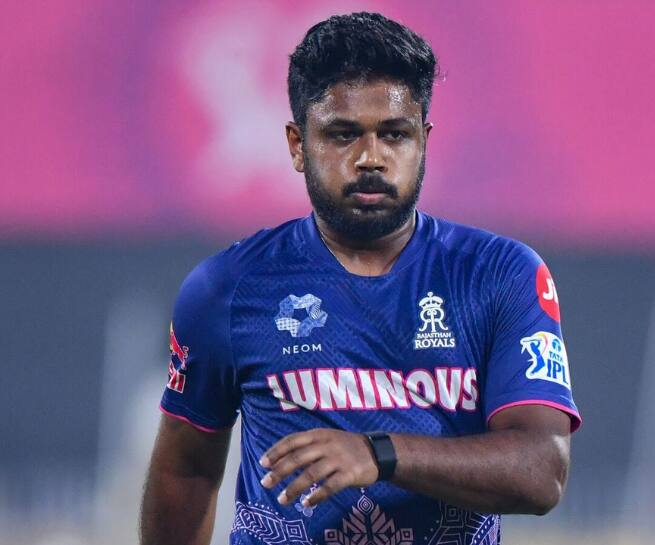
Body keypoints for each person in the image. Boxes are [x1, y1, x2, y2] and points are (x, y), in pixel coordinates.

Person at [140, 12, 580, 545]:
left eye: (394, 134)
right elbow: (185, 470)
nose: (371, 158)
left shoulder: (501, 275)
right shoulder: (226, 288)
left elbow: (541, 471)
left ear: (424, 141)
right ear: (297, 144)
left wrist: (379, 454)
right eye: (343, 135)